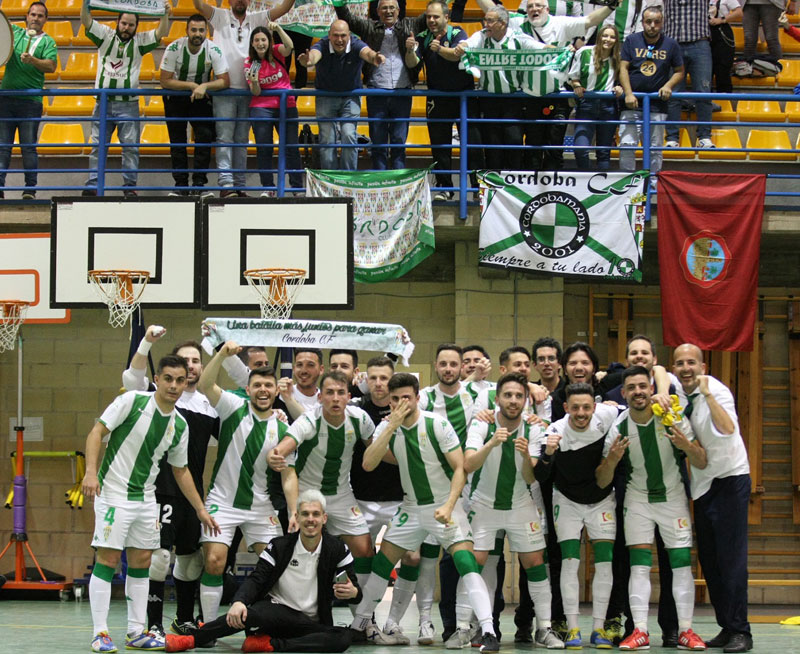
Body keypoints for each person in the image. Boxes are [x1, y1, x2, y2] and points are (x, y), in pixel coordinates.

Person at [349, 373, 501, 653]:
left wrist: (449, 504)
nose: (400, 403)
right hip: (410, 508)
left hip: (445, 505)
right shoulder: (388, 427)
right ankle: (359, 624)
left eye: (406, 397)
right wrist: (390, 426)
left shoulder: (436, 424)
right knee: (383, 564)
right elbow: (368, 463)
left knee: (466, 563)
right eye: (395, 399)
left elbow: (460, 468)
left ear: (418, 397)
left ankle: (489, 630)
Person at [82, 354, 219, 653]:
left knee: (143, 562)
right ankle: (100, 633)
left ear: (186, 383)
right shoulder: (132, 402)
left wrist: (199, 508)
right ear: (157, 379)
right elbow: (97, 433)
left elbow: (181, 471)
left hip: (146, 499)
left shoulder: (179, 425)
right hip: (114, 494)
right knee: (107, 561)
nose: (173, 385)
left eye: (179, 380)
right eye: (168, 378)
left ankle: (136, 632)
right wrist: (91, 473)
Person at [165, 490, 362, 653]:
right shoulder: (279, 546)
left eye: (316, 514)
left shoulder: (337, 549)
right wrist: (239, 601)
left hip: (310, 623)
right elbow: (257, 579)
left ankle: (272, 645)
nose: (311, 519)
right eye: (305, 514)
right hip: (276, 613)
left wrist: (353, 593)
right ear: (297, 517)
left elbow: (354, 592)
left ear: (324, 518)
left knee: (343, 638)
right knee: (245, 613)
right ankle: (191, 639)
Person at [596, 366, 707, 652]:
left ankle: (686, 631)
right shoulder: (619, 427)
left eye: (642, 386)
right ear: (624, 393)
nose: (637, 392)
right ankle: (641, 632)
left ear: (651, 389)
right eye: (631, 388)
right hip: (638, 501)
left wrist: (687, 446)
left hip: (673, 500)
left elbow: (702, 460)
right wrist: (611, 459)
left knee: (681, 564)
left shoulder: (671, 417)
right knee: (639, 566)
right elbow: (602, 480)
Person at [122, 327, 220, 638]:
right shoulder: (159, 394)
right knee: (160, 557)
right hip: (158, 490)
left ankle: (184, 618)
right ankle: (153, 622)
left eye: (196, 361)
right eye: (185, 361)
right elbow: (130, 379)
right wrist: (146, 342)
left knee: (191, 559)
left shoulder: (210, 405)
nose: (191, 366)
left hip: (192, 494)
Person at [195, 341, 297, 624]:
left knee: (274, 566)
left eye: (268, 386)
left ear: (276, 391)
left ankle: (264, 623)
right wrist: (221, 355)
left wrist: (293, 511)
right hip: (222, 503)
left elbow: (289, 474)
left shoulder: (284, 428)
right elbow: (205, 384)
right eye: (257, 385)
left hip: (261, 507)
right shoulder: (232, 406)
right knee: (214, 561)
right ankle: (209, 625)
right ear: (248, 389)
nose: (263, 390)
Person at [463, 373, 563, 649]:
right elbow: (468, 464)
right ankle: (477, 627)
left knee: (535, 563)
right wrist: (492, 443)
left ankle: (544, 628)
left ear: (526, 401)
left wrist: (522, 456)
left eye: (519, 396)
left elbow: (531, 478)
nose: (513, 400)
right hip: (483, 503)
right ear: (497, 399)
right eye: (508, 395)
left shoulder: (533, 428)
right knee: (479, 561)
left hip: (521, 504)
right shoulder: (481, 422)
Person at [268, 371, 378, 616]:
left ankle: (362, 619)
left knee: (364, 550)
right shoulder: (308, 420)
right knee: (303, 554)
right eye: (329, 392)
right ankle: (300, 612)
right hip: (309, 496)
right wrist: (275, 455)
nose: (335, 398)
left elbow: (377, 451)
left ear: (349, 396)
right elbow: (283, 449)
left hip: (342, 494)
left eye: (341, 393)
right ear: (320, 397)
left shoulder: (360, 419)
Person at [672, 344, 753, 653]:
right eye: (680, 363)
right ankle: (727, 625)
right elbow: (654, 371)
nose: (685, 367)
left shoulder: (715, 392)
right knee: (710, 559)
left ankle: (741, 631)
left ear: (702, 367)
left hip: (731, 480)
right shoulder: (678, 389)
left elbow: (728, 427)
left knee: (732, 560)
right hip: (703, 484)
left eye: (691, 362)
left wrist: (706, 394)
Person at [476, 0, 615, 171]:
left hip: (557, 97)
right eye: (530, 6)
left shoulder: (562, 24)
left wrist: (611, 7)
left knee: (554, 150)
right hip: (529, 98)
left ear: (547, 9)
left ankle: (552, 193)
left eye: (538, 6)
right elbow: (491, 9)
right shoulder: (518, 23)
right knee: (532, 149)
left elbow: (589, 21)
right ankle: (530, 192)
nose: (534, 9)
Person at [535, 383, 619, 649]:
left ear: (595, 406)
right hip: (567, 501)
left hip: (602, 499)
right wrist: (548, 453)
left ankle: (598, 629)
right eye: (575, 408)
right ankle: (573, 629)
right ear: (565, 408)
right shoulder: (555, 431)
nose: (581, 413)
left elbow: (632, 410)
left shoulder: (608, 415)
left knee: (604, 564)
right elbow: (539, 475)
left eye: (586, 407)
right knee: (570, 563)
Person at [191, 0, 296, 197]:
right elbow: (198, 5)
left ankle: (239, 185)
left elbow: (284, 8)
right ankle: (226, 184)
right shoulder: (219, 15)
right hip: (225, 90)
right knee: (224, 138)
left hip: (250, 92)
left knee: (241, 140)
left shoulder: (259, 17)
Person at [80, 0, 170, 197]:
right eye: (124, 23)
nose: (127, 28)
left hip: (128, 104)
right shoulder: (104, 35)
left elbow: (160, 32)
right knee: (97, 146)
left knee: (130, 148)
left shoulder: (139, 41)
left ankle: (129, 187)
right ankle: (93, 185)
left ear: (136, 27)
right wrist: (85, 4)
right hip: (102, 103)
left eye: (131, 25)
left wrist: (165, 14)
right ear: (117, 22)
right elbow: (86, 21)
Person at [334, 0, 427, 170]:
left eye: (392, 8)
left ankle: (398, 180)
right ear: (377, 11)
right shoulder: (369, 27)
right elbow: (347, 18)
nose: (388, 11)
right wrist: (338, 3)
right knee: (377, 141)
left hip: (403, 91)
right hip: (376, 91)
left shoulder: (410, 24)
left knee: (399, 141)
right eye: (384, 8)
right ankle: (380, 180)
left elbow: (430, 15)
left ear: (399, 10)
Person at [405, 1, 483, 201]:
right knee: (440, 146)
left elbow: (458, 55)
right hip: (437, 99)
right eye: (429, 17)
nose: (431, 20)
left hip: (464, 98)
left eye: (436, 17)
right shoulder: (422, 37)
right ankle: (444, 187)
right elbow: (413, 63)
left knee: (472, 145)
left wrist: (439, 49)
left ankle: (477, 189)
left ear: (446, 17)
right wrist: (410, 51)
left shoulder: (457, 33)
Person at [454, 6, 545, 170]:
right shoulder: (482, 36)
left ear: (502, 23)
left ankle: (514, 185)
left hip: (513, 100)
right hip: (489, 100)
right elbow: (468, 43)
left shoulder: (517, 38)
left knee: (514, 142)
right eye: (485, 20)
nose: (485, 24)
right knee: (492, 146)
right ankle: (493, 189)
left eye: (490, 21)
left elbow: (539, 48)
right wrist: (462, 45)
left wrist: (559, 51)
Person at [298, 20, 384, 171]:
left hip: (350, 97)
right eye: (335, 36)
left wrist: (374, 57)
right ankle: (330, 180)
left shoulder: (356, 44)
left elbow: (367, 53)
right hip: (326, 96)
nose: (339, 40)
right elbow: (314, 56)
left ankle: (348, 179)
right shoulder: (322, 44)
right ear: (329, 36)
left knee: (349, 136)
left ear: (349, 36)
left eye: (343, 36)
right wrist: (308, 60)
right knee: (327, 140)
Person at [160, 14, 229, 198]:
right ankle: (180, 187)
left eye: (201, 30)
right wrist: (191, 86)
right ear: (186, 31)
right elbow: (165, 81)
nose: (197, 34)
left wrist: (205, 86)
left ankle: (199, 186)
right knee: (177, 142)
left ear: (206, 31)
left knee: (204, 139)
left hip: (201, 98)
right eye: (194, 30)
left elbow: (225, 81)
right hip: (175, 98)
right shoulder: (174, 48)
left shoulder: (213, 49)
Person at [618, 5, 684, 182]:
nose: (652, 25)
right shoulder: (631, 41)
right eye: (648, 22)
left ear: (662, 23)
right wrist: (628, 93)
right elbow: (623, 68)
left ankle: (652, 186)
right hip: (631, 104)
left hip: (657, 106)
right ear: (642, 22)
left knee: (654, 149)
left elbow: (679, 71)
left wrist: (669, 85)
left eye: (656, 21)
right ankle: (627, 187)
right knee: (626, 146)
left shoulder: (671, 44)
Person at [0, 1, 57, 200]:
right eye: (33, 14)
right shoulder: (14, 32)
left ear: (45, 20)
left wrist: (32, 60)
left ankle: (30, 190)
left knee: (28, 147)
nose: (35, 18)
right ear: (26, 16)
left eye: (40, 16)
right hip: (5, 100)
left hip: (30, 102)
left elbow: (51, 66)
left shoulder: (49, 42)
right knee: (3, 147)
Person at [245, 23, 303, 196]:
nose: (261, 43)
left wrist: (278, 30)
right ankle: (268, 188)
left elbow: (290, 47)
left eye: (264, 40)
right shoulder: (249, 63)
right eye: (257, 40)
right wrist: (254, 82)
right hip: (261, 108)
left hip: (287, 106)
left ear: (269, 42)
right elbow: (255, 91)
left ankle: (296, 187)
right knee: (264, 148)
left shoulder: (277, 52)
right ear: (252, 44)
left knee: (292, 147)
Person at [568, 25, 624, 170]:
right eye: (605, 35)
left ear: (616, 40)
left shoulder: (618, 57)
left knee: (604, 152)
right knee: (580, 148)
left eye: (612, 37)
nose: (608, 39)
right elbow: (573, 78)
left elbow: (621, 81)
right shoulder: (584, 52)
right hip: (587, 104)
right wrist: (577, 86)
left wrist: (619, 87)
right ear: (599, 37)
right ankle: (586, 179)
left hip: (609, 106)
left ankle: (600, 187)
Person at [663, 0, 714, 149]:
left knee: (704, 93)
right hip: (673, 45)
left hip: (700, 43)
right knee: (672, 94)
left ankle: (704, 137)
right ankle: (672, 138)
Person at [709, 0, 742, 92]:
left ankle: (724, 101)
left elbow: (739, 12)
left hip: (723, 34)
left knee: (723, 71)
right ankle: (705, 103)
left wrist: (722, 19)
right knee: (706, 73)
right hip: (704, 35)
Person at [741, 0, 783, 66]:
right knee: (749, 39)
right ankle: (747, 70)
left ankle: (780, 69)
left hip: (773, 3)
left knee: (772, 39)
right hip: (747, 4)